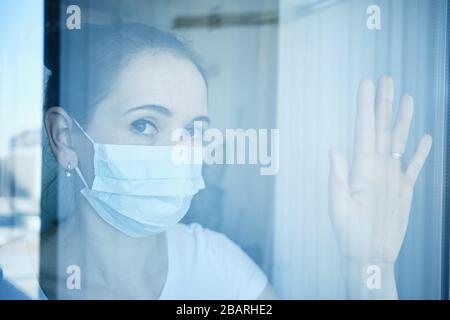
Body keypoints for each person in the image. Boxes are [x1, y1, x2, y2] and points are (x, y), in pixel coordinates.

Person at [40, 23, 431, 299]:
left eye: (193, 130)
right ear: (65, 137)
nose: (177, 151)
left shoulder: (219, 267)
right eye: (144, 124)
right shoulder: (17, 278)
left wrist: (367, 266)